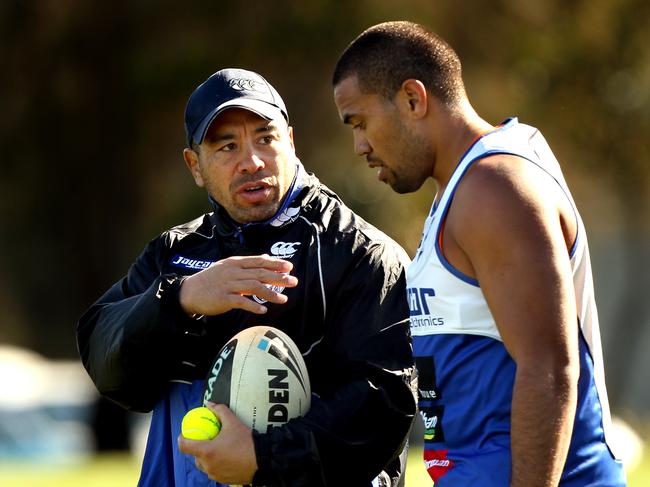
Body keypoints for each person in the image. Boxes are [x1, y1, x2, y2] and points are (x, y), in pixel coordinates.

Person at [77, 68, 417, 487]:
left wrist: (262, 457)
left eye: (265, 138)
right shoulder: (175, 253)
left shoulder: (360, 253)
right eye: (227, 147)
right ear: (195, 166)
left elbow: (383, 405)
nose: (252, 161)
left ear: (290, 142)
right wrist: (180, 300)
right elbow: (108, 367)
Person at [332, 21, 626, 487]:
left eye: (361, 123)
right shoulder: (463, 186)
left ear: (413, 99)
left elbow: (548, 369)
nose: (360, 146)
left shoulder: (493, 188)